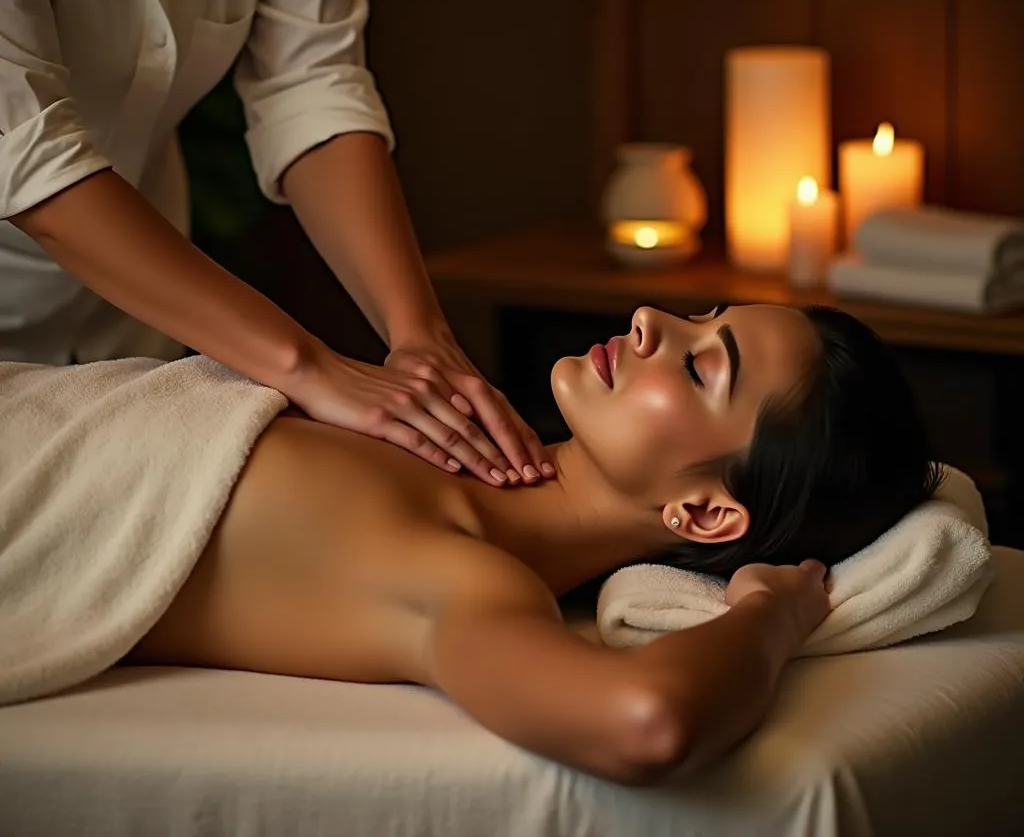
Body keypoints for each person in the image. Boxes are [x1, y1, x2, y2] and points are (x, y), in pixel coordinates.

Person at [0, 303, 940, 784]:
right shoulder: (436, 428)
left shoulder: (459, 571)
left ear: (704, 517)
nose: (653, 321)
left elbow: (646, 725)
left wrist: (773, 613)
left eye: (700, 366)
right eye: (701, 315)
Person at [0, 0, 547, 487]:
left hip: (134, 322)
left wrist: (420, 336)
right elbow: (27, 149)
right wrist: (308, 366)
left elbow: (309, 84)